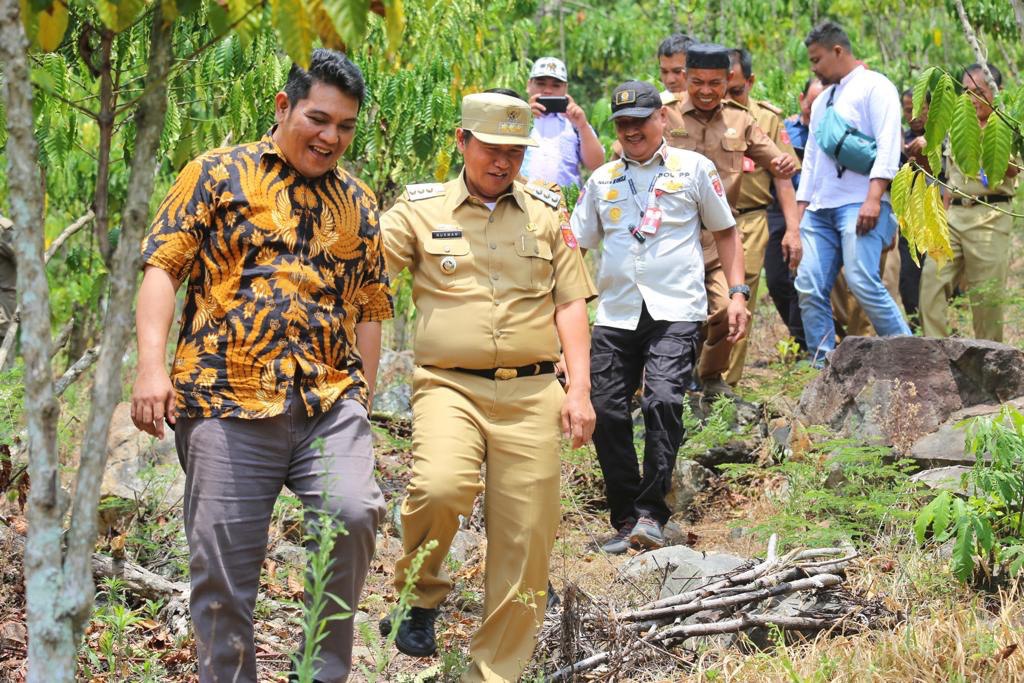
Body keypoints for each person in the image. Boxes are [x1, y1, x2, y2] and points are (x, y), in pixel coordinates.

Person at [131, 49, 391, 683]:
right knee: (222, 570)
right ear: (284, 107)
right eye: (319, 119)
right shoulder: (216, 173)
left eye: (346, 126)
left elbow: (370, 307)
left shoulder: (358, 201)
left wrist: (364, 397)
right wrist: (150, 367)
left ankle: (321, 673)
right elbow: (163, 267)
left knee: (353, 513)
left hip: (329, 403)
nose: (331, 137)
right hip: (225, 398)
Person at [378, 92, 596, 682]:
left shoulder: (547, 212)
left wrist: (579, 389)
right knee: (440, 486)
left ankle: (492, 674)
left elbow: (571, 302)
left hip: (532, 393)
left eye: (515, 152)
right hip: (449, 385)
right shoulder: (421, 209)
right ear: (461, 142)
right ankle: (419, 593)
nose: (503, 162)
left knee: (526, 545)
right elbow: (368, 268)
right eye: (492, 149)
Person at [571, 80, 749, 553]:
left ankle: (652, 513)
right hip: (616, 311)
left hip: (676, 309)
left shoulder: (694, 169)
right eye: (623, 124)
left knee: (664, 400)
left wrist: (737, 293)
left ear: (662, 119)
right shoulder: (602, 179)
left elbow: (727, 233)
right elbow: (574, 246)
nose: (632, 131)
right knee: (606, 413)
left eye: (641, 121)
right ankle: (626, 517)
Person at [666, 43, 798, 396]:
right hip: (674, 237)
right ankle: (669, 384)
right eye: (697, 82)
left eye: (715, 83)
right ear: (684, 78)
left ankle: (710, 378)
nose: (706, 91)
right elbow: (625, 152)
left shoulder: (741, 119)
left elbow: (779, 159)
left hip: (723, 238)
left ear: (728, 81)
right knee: (674, 315)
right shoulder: (665, 115)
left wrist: (783, 163)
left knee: (727, 309)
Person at [794, 21, 910, 364]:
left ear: (838, 51)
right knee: (809, 286)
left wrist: (874, 198)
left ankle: (908, 354)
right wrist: (798, 219)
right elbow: (812, 162)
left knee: (862, 281)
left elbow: (890, 146)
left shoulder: (876, 87)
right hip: (819, 210)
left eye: (817, 60)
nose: (814, 68)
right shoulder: (822, 101)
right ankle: (823, 366)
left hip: (859, 204)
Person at [919, 63, 1019, 342]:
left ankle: (989, 361)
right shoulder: (957, 125)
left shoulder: (1008, 125)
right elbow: (951, 178)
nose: (972, 98)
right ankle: (934, 353)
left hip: (991, 216)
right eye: (966, 92)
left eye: (979, 92)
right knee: (931, 283)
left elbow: (1013, 170)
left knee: (986, 299)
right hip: (953, 217)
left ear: (996, 93)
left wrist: (987, 139)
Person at [723, 48, 802, 385]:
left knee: (740, 301)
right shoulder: (694, 116)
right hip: (703, 223)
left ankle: (725, 384)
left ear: (750, 82)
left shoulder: (766, 119)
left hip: (749, 221)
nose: (727, 98)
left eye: (736, 90)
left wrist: (793, 230)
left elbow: (783, 176)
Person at [764, 77, 823, 351]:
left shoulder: (833, 130)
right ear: (802, 101)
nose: (815, 109)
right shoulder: (785, 129)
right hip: (780, 207)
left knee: (804, 278)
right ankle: (798, 337)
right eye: (812, 103)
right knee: (777, 278)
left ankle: (806, 341)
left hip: (818, 208)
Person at [521, 56, 605, 187]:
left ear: (565, 89)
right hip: (521, 202)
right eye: (541, 83)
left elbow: (596, 164)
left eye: (556, 85)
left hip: (564, 204)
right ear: (528, 85)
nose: (548, 90)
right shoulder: (517, 118)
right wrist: (523, 116)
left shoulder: (575, 123)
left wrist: (582, 125)